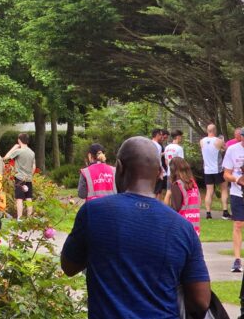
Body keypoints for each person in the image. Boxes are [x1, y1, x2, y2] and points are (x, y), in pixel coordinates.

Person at [61, 136, 210, 318]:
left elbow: (68, 266)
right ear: (158, 174)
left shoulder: (93, 212)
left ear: (120, 168)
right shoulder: (183, 228)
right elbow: (201, 300)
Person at [223, 127, 244, 272]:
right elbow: (226, 174)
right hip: (238, 193)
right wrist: (238, 179)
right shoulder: (232, 150)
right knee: (238, 224)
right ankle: (237, 260)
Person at [4, 133, 36, 220]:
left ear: (19, 140)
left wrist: (14, 147)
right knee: (29, 198)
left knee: (19, 199)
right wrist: (29, 175)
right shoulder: (32, 152)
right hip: (29, 178)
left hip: (19, 178)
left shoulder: (19, 151)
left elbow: (5, 158)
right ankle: (30, 218)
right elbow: (34, 167)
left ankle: (20, 218)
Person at [201, 124, 229, 220]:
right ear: (214, 130)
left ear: (207, 130)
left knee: (209, 191)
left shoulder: (202, 141)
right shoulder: (219, 141)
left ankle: (208, 214)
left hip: (207, 169)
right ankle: (225, 212)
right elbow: (225, 149)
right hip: (218, 169)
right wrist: (222, 145)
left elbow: (207, 151)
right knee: (224, 188)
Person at [168, 156, 201, 236]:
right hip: (194, 224)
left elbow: (175, 208)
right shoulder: (193, 184)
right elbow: (199, 201)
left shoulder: (177, 184)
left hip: (181, 225)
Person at [162, 130, 185, 204]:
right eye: (181, 136)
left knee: (169, 191)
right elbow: (181, 162)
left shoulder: (167, 147)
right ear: (178, 137)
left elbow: (166, 161)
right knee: (176, 193)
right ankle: (174, 210)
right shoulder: (179, 148)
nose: (181, 138)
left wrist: (169, 168)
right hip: (177, 173)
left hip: (169, 172)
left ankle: (166, 210)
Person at [151, 128, 169, 198]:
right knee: (158, 190)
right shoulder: (158, 146)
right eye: (161, 135)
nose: (162, 137)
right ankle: (156, 205)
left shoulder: (149, 143)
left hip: (149, 169)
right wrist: (161, 171)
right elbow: (157, 159)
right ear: (157, 135)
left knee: (152, 189)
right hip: (157, 170)